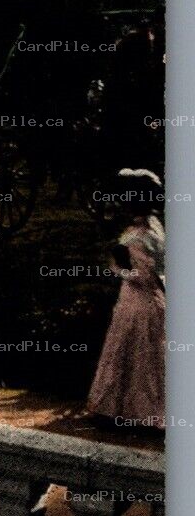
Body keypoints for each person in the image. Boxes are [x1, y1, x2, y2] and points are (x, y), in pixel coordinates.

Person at [88, 170, 165, 428]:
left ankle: (135, 412)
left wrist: (117, 268)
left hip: (138, 302)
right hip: (150, 300)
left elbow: (142, 276)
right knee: (145, 357)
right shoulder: (154, 227)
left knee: (132, 354)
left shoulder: (137, 237)